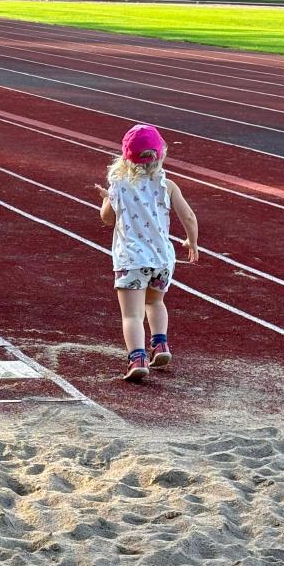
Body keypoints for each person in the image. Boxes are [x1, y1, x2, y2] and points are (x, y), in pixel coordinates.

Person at [99, 124, 199, 383]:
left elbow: (107, 218)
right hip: (162, 260)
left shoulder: (119, 185)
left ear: (126, 156)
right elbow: (188, 216)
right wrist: (192, 242)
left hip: (131, 260)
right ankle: (161, 344)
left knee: (132, 315)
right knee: (155, 302)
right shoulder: (168, 185)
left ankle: (137, 358)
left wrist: (106, 199)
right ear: (160, 154)